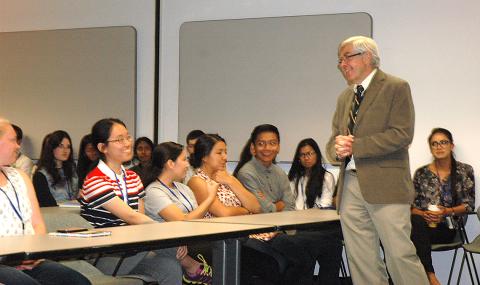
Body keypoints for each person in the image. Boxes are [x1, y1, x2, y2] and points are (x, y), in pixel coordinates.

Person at [326, 35, 428, 285]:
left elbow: (402, 134)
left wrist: (355, 146)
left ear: (367, 56)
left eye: (346, 57)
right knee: (361, 260)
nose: (342, 65)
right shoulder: (344, 98)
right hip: (350, 186)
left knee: (399, 255)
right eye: (340, 60)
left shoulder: (395, 86)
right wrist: (336, 150)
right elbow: (333, 141)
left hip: (387, 185)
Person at [78, 118, 192, 285]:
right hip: (104, 254)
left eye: (128, 137)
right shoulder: (95, 180)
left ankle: (193, 267)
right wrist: (171, 237)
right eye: (119, 139)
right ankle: (195, 268)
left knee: (170, 268)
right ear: (102, 147)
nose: (127, 143)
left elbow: (141, 216)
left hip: (131, 250)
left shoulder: (132, 177)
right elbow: (131, 217)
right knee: (169, 245)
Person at [0, 117, 91, 285]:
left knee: (78, 281)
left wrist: (33, 253)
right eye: (13, 140)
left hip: (29, 258)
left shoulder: (20, 177)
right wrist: (13, 257)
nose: (18, 146)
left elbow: (38, 223)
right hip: (3, 262)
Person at [143, 141, 219, 284]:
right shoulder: (154, 191)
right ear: (170, 163)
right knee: (221, 251)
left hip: (188, 240)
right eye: (184, 159)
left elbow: (196, 219)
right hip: (170, 244)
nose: (187, 165)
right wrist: (210, 198)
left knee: (231, 246)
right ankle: (194, 270)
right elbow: (182, 221)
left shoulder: (183, 188)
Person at [410, 128, 475, 285]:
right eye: (434, 144)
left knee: (410, 236)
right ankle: (431, 276)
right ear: (431, 148)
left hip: (448, 229)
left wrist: (446, 212)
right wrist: (423, 214)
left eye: (443, 142)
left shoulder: (464, 170)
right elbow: (411, 207)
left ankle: (427, 277)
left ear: (451, 146)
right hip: (422, 226)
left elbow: (469, 206)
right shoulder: (421, 173)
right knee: (413, 222)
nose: (439, 147)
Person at [234, 124, 295, 213]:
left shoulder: (280, 173)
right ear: (253, 148)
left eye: (272, 143)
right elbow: (261, 209)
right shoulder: (246, 173)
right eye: (261, 144)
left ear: (278, 147)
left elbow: (290, 205)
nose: (267, 148)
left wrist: (271, 205)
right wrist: (278, 205)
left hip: (283, 224)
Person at [33, 130, 78, 207]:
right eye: (61, 146)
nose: (65, 150)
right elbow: (46, 204)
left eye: (68, 147)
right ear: (52, 148)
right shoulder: (41, 175)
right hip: (54, 214)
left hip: (74, 210)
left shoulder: (72, 169)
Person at [288, 138, 335, 209]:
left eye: (310, 153)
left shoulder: (326, 177)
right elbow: (290, 202)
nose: (306, 158)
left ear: (317, 154)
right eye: (302, 155)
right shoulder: (294, 176)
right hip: (295, 217)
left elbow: (325, 204)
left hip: (318, 218)